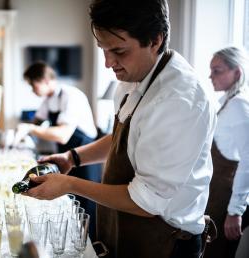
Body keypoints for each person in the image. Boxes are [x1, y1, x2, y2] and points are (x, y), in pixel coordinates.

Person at [24, 0, 217, 257]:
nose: (108, 63)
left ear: (156, 40)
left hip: (165, 243)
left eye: (119, 51)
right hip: (126, 229)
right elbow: (121, 138)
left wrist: (69, 184)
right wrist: (73, 157)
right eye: (103, 49)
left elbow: (146, 202)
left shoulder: (180, 101)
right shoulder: (133, 78)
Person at [19, 61, 102, 241]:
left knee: (86, 207)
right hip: (66, 157)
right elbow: (36, 123)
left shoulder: (70, 95)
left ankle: (92, 246)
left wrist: (29, 129)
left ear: (44, 80)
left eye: (33, 85)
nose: (32, 90)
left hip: (85, 156)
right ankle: (73, 241)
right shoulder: (48, 100)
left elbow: (63, 135)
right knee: (69, 203)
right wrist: (23, 132)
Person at [204, 46, 249, 258]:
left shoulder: (240, 106)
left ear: (237, 72)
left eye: (217, 70)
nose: (210, 76)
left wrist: (235, 211)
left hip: (226, 196)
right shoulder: (227, 103)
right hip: (215, 192)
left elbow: (248, 161)